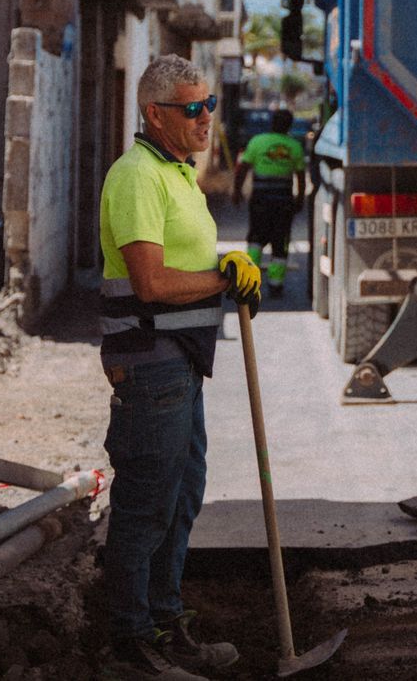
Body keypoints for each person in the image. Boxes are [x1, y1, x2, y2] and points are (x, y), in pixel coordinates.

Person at [98, 54, 264, 681]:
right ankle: (131, 642)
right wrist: (221, 279)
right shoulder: (137, 176)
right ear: (154, 114)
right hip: (151, 365)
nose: (205, 119)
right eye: (191, 109)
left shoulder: (176, 173)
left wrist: (226, 269)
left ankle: (166, 623)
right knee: (146, 506)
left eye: (209, 105)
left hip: (182, 365)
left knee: (182, 496)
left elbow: (187, 263)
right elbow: (151, 282)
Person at [231, 107, 308, 288]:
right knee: (280, 241)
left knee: (256, 238)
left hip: (260, 201)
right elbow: (301, 177)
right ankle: (275, 284)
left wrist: (237, 191)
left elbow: (242, 169)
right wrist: (300, 199)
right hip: (283, 202)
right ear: (289, 126)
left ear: (272, 123)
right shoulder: (294, 146)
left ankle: (249, 281)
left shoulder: (258, 142)